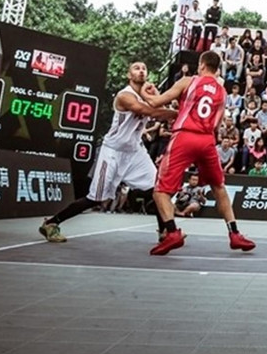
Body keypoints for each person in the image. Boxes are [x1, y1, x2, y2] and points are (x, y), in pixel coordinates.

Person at [39, 62, 177, 243]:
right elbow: (144, 110)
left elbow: (158, 109)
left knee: (158, 190)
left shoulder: (149, 96)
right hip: (113, 151)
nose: (141, 71)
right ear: (129, 75)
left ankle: (164, 232)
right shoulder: (125, 95)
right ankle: (51, 222)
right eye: (137, 68)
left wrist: (160, 100)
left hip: (135, 151)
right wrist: (176, 112)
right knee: (96, 198)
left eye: (144, 69)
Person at [141, 51, 256, 255]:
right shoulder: (222, 92)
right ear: (217, 68)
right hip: (207, 140)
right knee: (219, 187)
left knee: (160, 190)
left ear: (202, 65)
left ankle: (171, 231)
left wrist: (145, 91)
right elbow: (217, 124)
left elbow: (156, 102)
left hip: (184, 136)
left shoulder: (188, 81)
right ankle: (235, 233)